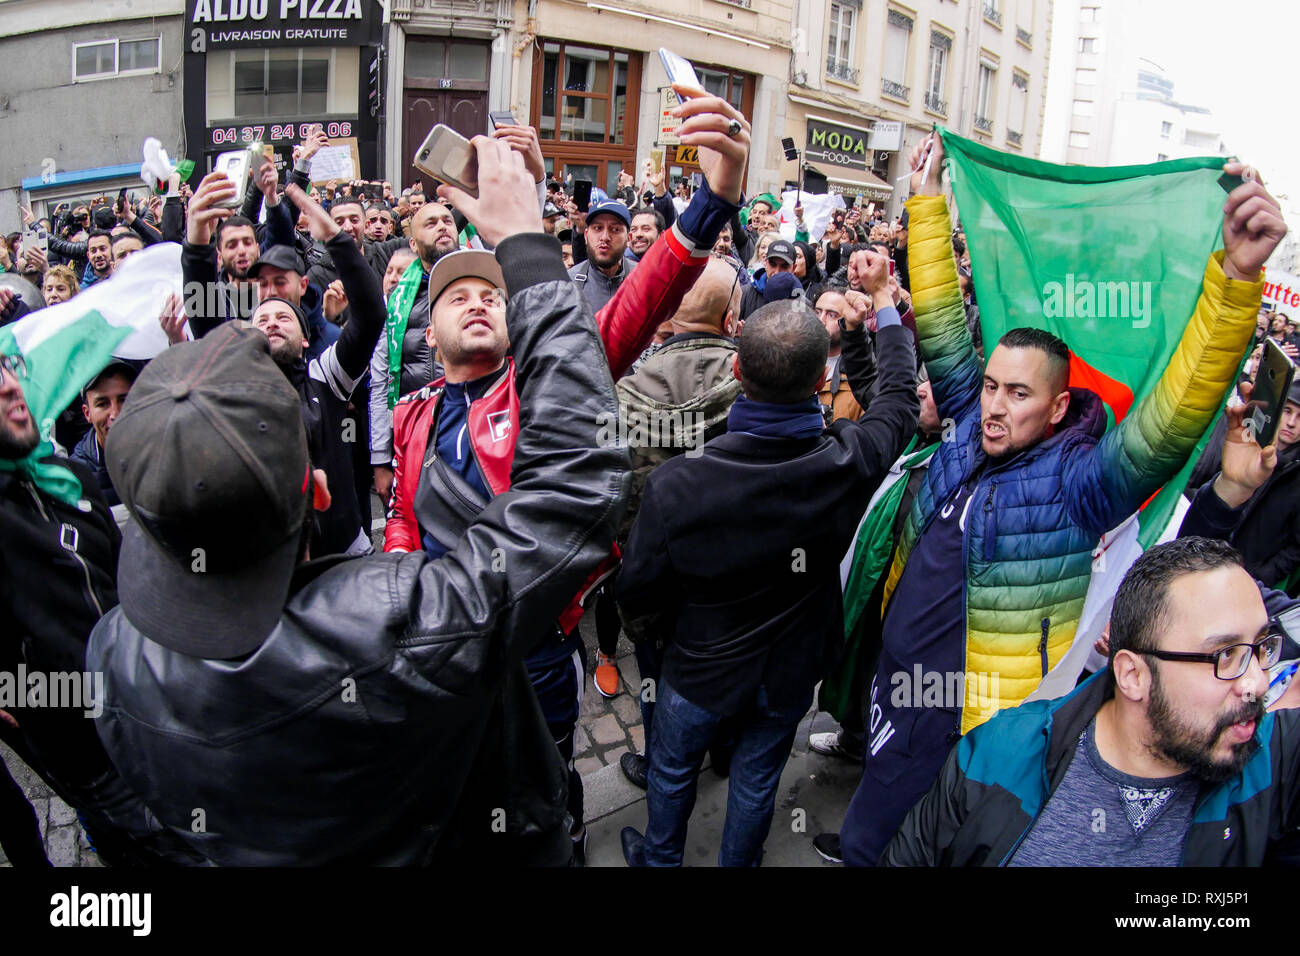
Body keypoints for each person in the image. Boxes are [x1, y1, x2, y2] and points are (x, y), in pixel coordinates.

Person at [85, 140, 629, 866]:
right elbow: (576, 490)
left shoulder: (111, 656)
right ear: (316, 487)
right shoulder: (401, 628)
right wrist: (528, 247)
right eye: (455, 297)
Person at [834, 134, 1286, 867]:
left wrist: (1234, 280)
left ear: (1056, 406)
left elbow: (1167, 428)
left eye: (1018, 393)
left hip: (971, 720)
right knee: (868, 827)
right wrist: (923, 201)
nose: (994, 406)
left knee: (913, 847)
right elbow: (946, 326)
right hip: (897, 692)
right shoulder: (963, 431)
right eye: (990, 385)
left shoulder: (1079, 489)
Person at [386, 89, 751, 863]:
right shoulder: (411, 413)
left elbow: (645, 296)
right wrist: (404, 586)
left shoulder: (545, 384)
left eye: (494, 291)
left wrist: (713, 201)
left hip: (537, 647)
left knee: (549, 779)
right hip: (445, 643)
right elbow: (402, 517)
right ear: (432, 327)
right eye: (460, 295)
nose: (481, 302)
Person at [617, 245, 919, 867]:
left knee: (672, 771)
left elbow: (638, 590)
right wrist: (884, 303)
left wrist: (669, 640)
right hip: (788, 668)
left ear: (739, 374)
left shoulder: (679, 484)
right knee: (757, 779)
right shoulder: (847, 460)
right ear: (818, 382)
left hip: (698, 666)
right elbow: (899, 402)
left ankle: (659, 859)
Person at [883, 536, 1300, 866]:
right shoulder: (1000, 756)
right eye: (1225, 655)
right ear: (1133, 675)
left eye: (1261, 648)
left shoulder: (1270, 763)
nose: (1257, 683)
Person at [0, 349, 201, 866]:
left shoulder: (68, 478)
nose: (6, 387)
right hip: (82, 750)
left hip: (148, 710)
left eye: (6, 372)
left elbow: (122, 580)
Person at [605, 258, 746, 769]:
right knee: (728, 675)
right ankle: (725, 752)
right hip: (732, 586)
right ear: (732, 319)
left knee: (655, 676)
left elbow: (611, 498)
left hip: (653, 582)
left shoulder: (621, 391)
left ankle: (659, 762)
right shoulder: (758, 384)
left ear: (666, 314)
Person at [1180, 379, 1300, 592]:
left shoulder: (1295, 476)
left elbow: (1295, 548)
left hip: (1240, 581)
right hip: (1196, 557)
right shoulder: (1241, 440)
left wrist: (1257, 577)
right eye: (1287, 411)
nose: (1291, 423)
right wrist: (1225, 490)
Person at [69, 360, 137, 507]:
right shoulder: (76, 478)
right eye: (103, 404)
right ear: (87, 414)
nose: (115, 413)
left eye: (123, 400)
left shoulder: (159, 452)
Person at [568, 199, 635, 313]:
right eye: (598, 228)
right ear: (586, 235)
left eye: (615, 229)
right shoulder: (568, 284)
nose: (604, 237)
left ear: (629, 238)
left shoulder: (645, 280)